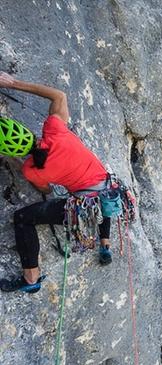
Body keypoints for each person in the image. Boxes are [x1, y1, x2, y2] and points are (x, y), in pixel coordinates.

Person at [0, 71, 112, 294]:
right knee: (100, 191)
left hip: (84, 206)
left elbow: (46, 189)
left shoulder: (31, 169)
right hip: (108, 189)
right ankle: (105, 244)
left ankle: (31, 278)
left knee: (23, 218)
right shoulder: (55, 129)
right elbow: (59, 96)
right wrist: (12, 83)